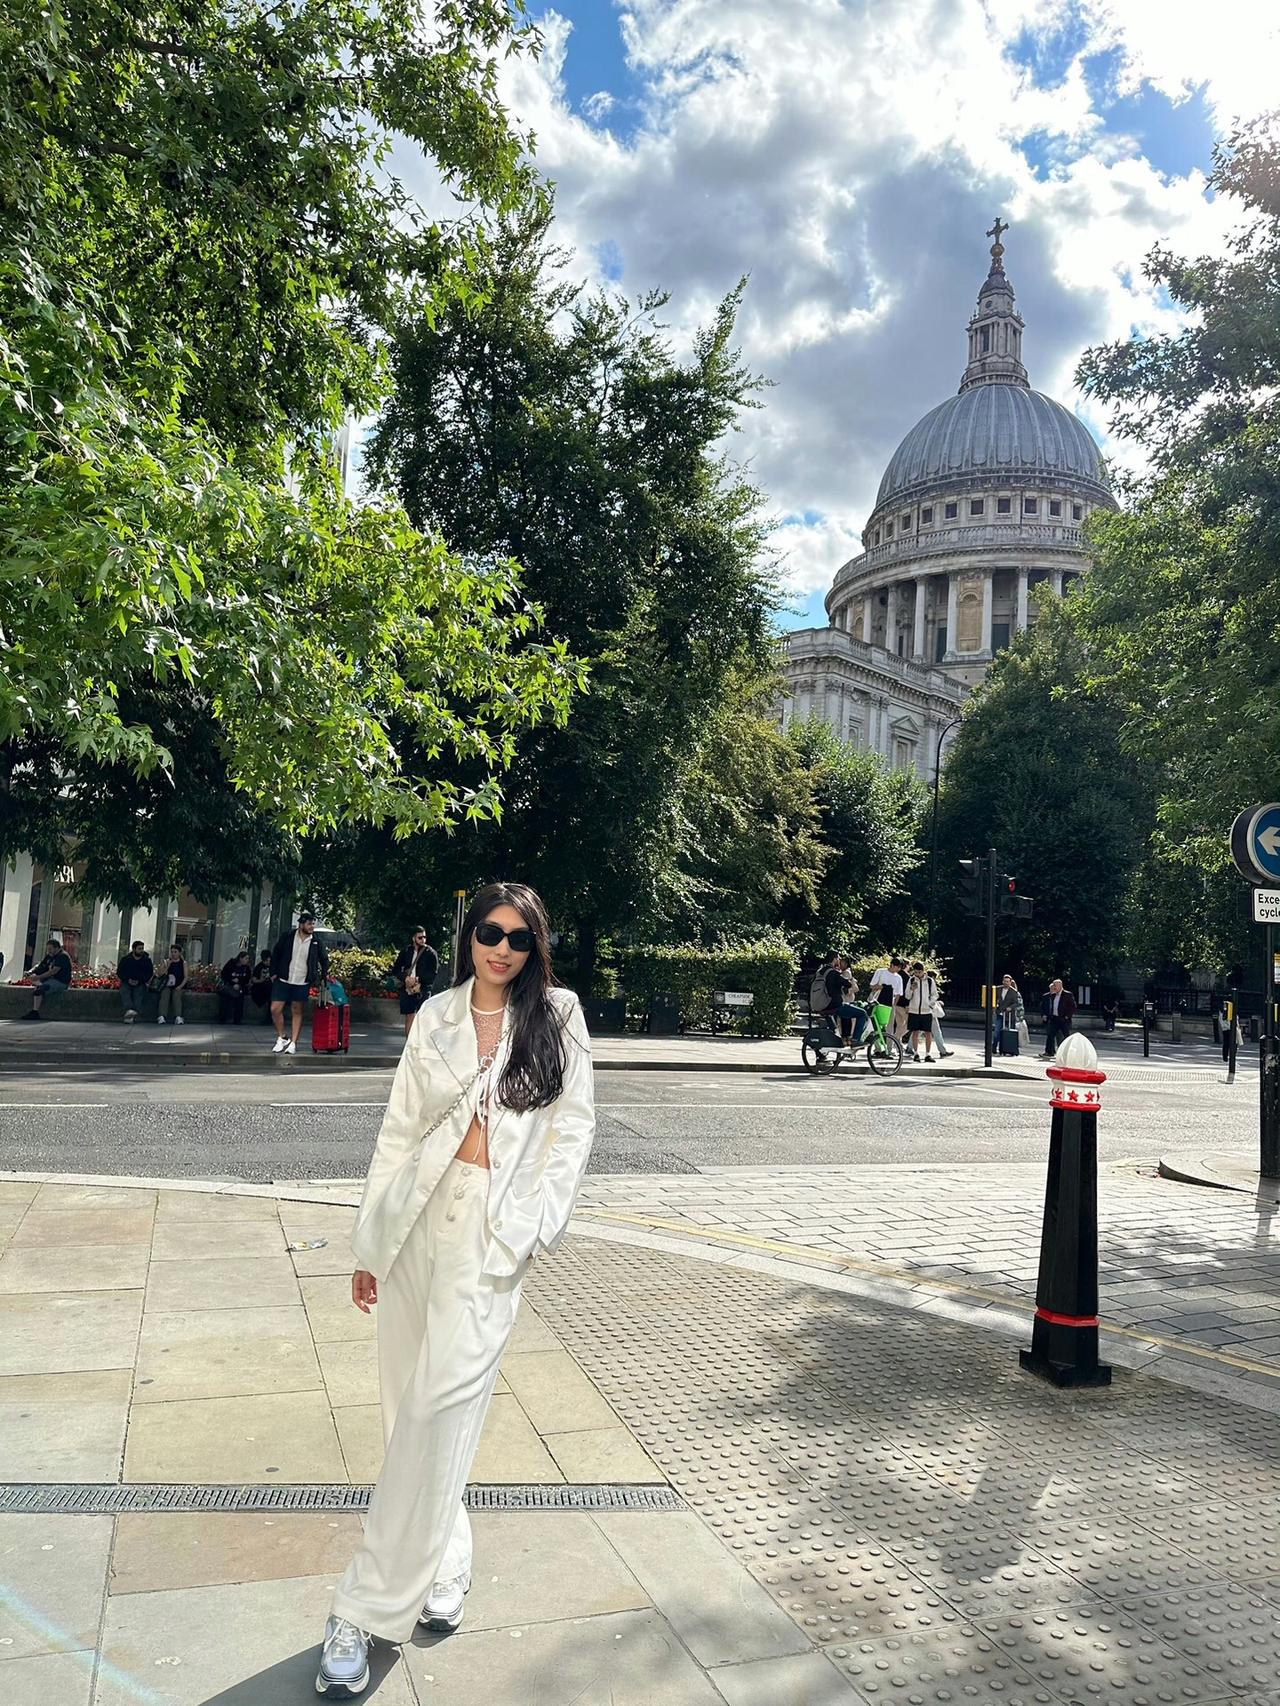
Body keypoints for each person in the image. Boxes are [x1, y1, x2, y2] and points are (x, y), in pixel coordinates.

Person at [316, 882, 596, 1697]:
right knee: (408, 1410)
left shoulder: (558, 1016)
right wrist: (370, 1243)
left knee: (436, 1413)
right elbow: (398, 1129)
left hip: (490, 1231)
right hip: (414, 1221)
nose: (502, 948)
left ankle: (364, 1609)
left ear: (535, 945)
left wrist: (532, 1226)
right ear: (468, 935)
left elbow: (574, 1129)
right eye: (489, 933)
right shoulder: (435, 1015)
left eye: (518, 937)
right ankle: (444, 1560)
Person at [269, 910, 331, 1055]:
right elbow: (276, 953)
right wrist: (273, 973)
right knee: (275, 1009)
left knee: (297, 1010)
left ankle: (293, 1043)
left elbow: (324, 959)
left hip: (302, 981)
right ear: (301, 924)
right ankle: (282, 1036)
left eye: (313, 924)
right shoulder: (288, 937)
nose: (312, 927)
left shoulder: (316, 941)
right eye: (309, 924)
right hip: (284, 978)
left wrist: (323, 976)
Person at [391, 925, 440, 1037]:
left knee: (422, 1017)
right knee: (409, 1016)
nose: (423, 940)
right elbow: (396, 969)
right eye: (420, 937)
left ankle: (421, 1043)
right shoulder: (406, 951)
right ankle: (409, 1042)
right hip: (407, 988)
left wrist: (419, 980)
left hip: (422, 989)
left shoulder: (430, 953)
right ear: (413, 938)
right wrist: (405, 978)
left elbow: (433, 973)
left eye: (424, 937)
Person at [17, 937, 73, 1019]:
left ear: (57, 948)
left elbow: (53, 971)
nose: (48, 951)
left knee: (40, 990)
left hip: (61, 982)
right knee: (38, 987)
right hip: (50, 980)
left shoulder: (63, 956)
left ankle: (35, 1012)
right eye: (48, 949)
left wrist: (38, 977)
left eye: (50, 949)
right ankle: (35, 1011)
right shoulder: (50, 956)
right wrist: (30, 973)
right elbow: (41, 966)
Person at [904, 961, 940, 1061]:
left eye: (919, 972)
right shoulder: (911, 980)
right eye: (915, 972)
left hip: (926, 1011)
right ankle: (916, 1053)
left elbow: (934, 994)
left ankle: (928, 1054)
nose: (917, 974)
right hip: (914, 1010)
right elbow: (907, 996)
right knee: (915, 1032)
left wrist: (930, 1003)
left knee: (928, 1033)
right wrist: (911, 989)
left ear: (923, 971)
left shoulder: (929, 981)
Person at [117, 940, 154, 1022]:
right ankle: (129, 1010)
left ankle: (131, 1016)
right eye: (139, 949)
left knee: (138, 994)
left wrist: (140, 981)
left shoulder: (146, 960)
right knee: (125, 991)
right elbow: (120, 972)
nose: (141, 950)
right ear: (134, 949)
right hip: (127, 982)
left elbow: (149, 973)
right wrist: (128, 979)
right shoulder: (126, 959)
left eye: (142, 948)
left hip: (140, 983)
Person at [1041, 978, 1076, 1057]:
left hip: (1063, 1019)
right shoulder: (1053, 995)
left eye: (1055, 985)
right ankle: (1049, 1052)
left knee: (1066, 1036)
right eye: (1053, 985)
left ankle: (1067, 1053)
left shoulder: (1067, 994)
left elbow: (1073, 1007)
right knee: (1050, 1035)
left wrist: (1067, 1016)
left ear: (1060, 986)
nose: (1054, 987)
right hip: (1054, 1018)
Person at [218, 950, 253, 1024]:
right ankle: (222, 1018)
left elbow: (247, 978)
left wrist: (239, 983)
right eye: (246, 958)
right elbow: (224, 974)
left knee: (240, 999)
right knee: (225, 998)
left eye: (248, 959)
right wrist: (232, 982)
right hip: (229, 985)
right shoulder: (231, 964)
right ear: (240, 958)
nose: (247, 960)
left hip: (240, 986)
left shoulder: (246, 968)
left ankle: (237, 1019)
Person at [155, 945, 187, 1024]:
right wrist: (168, 966)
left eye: (175, 952)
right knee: (165, 995)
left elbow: (186, 977)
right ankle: (162, 1016)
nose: (173, 954)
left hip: (178, 985)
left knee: (176, 995)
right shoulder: (166, 962)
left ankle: (178, 1016)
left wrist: (180, 986)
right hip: (167, 985)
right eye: (172, 952)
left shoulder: (183, 963)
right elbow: (160, 974)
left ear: (179, 953)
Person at [995, 973, 1024, 1056]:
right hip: (1000, 1013)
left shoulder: (1014, 992)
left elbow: (1016, 1003)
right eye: (1005, 981)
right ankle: (994, 1047)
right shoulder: (998, 989)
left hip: (1009, 1015)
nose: (1006, 983)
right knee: (997, 1031)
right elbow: (994, 998)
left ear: (1010, 982)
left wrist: (1010, 1007)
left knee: (1009, 1032)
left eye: (1007, 981)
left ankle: (1008, 1048)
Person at [249, 950, 273, 1022]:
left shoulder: (274, 966)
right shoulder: (259, 967)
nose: (268, 962)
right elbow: (254, 980)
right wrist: (261, 980)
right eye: (266, 961)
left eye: (269, 960)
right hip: (261, 987)